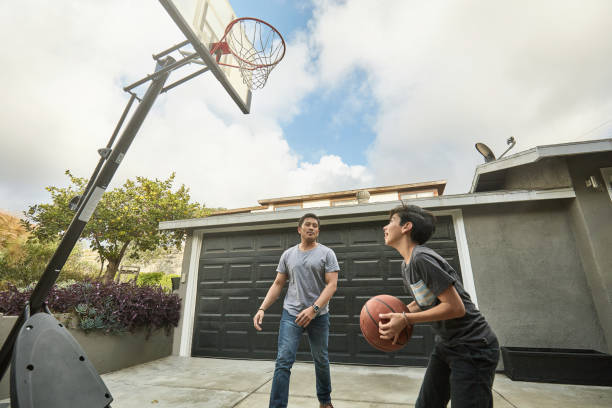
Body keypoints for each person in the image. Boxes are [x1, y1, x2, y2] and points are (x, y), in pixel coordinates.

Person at [379, 204, 499, 408]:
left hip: (473, 346)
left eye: (391, 221)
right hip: (446, 344)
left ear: (407, 226)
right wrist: (400, 314)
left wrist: (406, 319)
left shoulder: (422, 258)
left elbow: (455, 307)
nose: (385, 227)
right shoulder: (407, 264)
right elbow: (425, 300)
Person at [253, 213, 339, 408]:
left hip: (319, 315)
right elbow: (277, 283)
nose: (311, 228)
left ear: (318, 230)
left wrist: (314, 309)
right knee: (283, 361)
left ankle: (325, 401)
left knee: (321, 359)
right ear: (299, 229)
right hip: (291, 314)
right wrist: (262, 308)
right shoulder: (288, 255)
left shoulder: (327, 253)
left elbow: (332, 285)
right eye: (307, 225)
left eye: (315, 226)